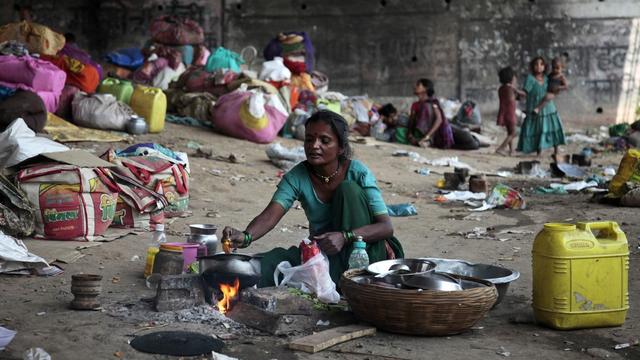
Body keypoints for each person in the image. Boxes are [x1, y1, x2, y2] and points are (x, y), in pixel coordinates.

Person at [222, 110, 404, 287]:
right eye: (309, 139)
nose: (314, 145)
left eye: (324, 140)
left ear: (341, 147)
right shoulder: (297, 176)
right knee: (267, 265)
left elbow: (386, 227)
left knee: (348, 190)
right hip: (325, 254)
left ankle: (351, 279)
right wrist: (246, 236)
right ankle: (335, 278)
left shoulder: (358, 173)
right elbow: (272, 213)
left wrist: (345, 236)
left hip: (366, 255)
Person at [517, 56, 566, 158]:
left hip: (549, 108)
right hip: (535, 107)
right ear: (532, 67)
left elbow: (557, 87)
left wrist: (558, 88)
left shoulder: (547, 78)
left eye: (541, 64)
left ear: (545, 66)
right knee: (538, 130)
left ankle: (556, 151)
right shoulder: (530, 79)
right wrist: (515, 91)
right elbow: (525, 92)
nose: (539, 67)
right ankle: (539, 151)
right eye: (536, 64)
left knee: (554, 127)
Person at [407, 79, 454, 149]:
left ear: (425, 89)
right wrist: (410, 134)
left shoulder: (433, 103)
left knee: (426, 107)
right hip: (417, 133)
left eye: (418, 85)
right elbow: (411, 121)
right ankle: (419, 139)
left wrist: (427, 136)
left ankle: (428, 141)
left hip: (432, 134)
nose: (415, 87)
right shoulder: (415, 105)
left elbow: (439, 119)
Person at [496, 66, 525, 156]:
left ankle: (511, 150)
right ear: (511, 78)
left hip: (503, 113)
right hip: (510, 113)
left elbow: (511, 98)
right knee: (514, 132)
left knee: (509, 132)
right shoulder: (511, 88)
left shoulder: (501, 89)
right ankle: (501, 148)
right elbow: (522, 95)